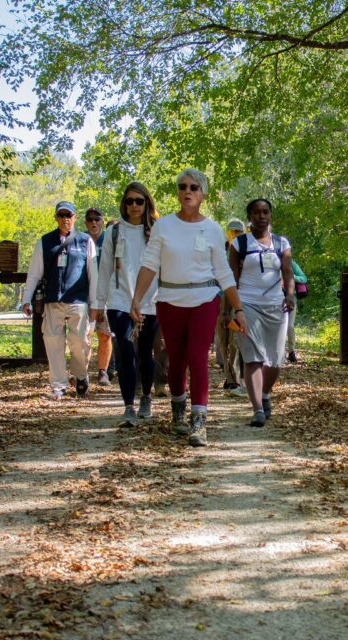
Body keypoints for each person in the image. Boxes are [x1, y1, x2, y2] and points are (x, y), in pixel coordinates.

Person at [131, 168, 245, 446]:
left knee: (197, 357)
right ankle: (177, 410)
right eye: (183, 187)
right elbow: (149, 265)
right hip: (170, 300)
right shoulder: (164, 226)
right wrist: (136, 298)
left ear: (203, 194)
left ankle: (199, 421)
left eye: (194, 187)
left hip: (205, 299)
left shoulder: (212, 229)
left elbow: (224, 272)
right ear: (177, 192)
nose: (188, 191)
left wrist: (238, 307)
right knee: (176, 361)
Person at [93, 183, 160, 423]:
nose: (134, 206)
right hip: (119, 300)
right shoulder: (114, 232)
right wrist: (99, 302)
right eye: (130, 201)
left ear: (147, 203)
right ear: (124, 203)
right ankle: (128, 405)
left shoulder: (156, 231)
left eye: (139, 201)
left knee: (145, 353)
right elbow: (105, 268)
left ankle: (146, 397)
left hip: (150, 301)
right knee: (124, 351)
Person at [22, 201, 98, 400]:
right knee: (53, 343)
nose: (65, 219)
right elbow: (34, 273)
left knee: (79, 343)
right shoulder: (45, 242)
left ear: (74, 217)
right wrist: (26, 299)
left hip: (78, 300)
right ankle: (58, 386)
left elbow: (93, 275)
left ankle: (81, 376)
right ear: (56, 217)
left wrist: (95, 304)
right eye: (61, 215)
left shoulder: (85, 240)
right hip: (52, 300)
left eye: (69, 215)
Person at [229, 198, 295, 427]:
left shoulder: (281, 243)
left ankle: (265, 393)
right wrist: (232, 308)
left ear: (270, 215)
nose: (261, 216)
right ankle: (257, 408)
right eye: (256, 212)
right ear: (249, 216)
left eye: (265, 212)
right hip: (247, 305)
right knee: (253, 357)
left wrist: (289, 294)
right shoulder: (239, 244)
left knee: (275, 361)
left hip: (276, 306)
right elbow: (231, 279)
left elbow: (288, 272)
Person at [83, 208, 114, 386]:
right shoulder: (81, 240)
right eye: (90, 220)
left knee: (104, 334)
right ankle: (82, 372)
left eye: (97, 219)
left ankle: (103, 372)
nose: (94, 223)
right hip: (84, 294)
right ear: (85, 222)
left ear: (102, 222)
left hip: (105, 294)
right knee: (84, 334)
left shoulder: (109, 240)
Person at [215, 218, 246, 392]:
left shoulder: (245, 249)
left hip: (238, 299)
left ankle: (235, 378)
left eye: (238, 231)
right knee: (223, 339)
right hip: (220, 299)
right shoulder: (221, 249)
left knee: (235, 339)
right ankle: (229, 376)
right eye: (232, 231)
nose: (235, 234)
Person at [285, 259, 308, 364]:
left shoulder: (292, 264)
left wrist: (292, 276)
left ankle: (291, 352)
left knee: (290, 326)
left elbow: (304, 278)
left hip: (291, 298)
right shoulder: (270, 261)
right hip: (274, 298)